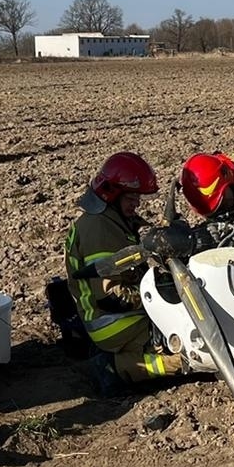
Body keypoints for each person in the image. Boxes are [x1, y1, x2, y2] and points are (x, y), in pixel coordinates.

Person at [65, 152, 185, 392]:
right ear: (111, 195)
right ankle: (114, 367)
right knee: (184, 347)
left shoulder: (109, 220)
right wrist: (161, 297)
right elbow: (112, 297)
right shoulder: (100, 229)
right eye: (131, 198)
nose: (137, 204)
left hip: (114, 313)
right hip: (110, 322)